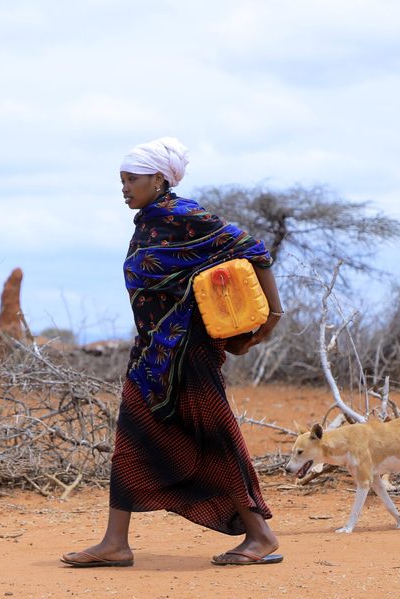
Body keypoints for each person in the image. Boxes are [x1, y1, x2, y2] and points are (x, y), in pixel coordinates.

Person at [61, 137, 284, 568]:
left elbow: (253, 249)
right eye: (121, 180)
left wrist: (271, 317)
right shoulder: (148, 223)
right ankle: (115, 542)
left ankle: (261, 535)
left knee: (217, 438)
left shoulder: (185, 216)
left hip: (190, 352)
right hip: (151, 354)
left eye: (132, 179)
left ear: (159, 179)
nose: (123, 187)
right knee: (131, 439)